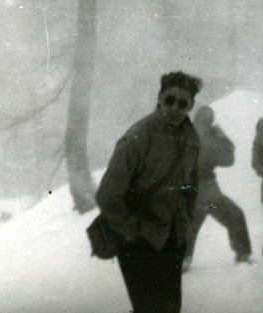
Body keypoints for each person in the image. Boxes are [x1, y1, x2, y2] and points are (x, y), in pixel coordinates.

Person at [95, 71, 202, 313]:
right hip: (139, 242)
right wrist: (132, 230)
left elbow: (191, 185)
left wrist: (184, 225)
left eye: (183, 103)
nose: (175, 108)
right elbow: (107, 195)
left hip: (172, 240)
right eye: (169, 100)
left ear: (191, 106)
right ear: (159, 98)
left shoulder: (191, 138)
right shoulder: (137, 138)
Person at [183, 105, 252, 270]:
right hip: (206, 190)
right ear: (210, 121)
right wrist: (222, 137)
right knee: (235, 216)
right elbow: (228, 159)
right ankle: (242, 256)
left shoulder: (185, 133)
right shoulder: (207, 137)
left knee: (188, 226)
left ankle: (182, 260)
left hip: (191, 191)